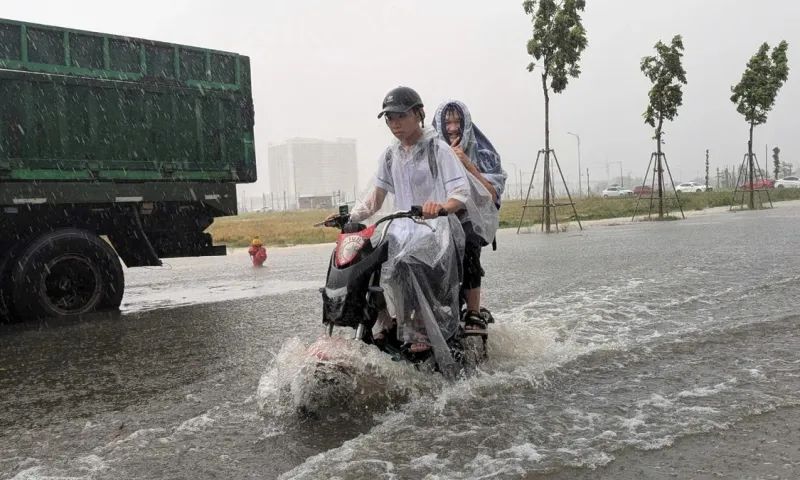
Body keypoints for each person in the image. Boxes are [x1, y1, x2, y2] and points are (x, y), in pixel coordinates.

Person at [332, 86, 498, 372]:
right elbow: (376, 198)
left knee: (408, 260)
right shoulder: (389, 155)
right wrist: (350, 214)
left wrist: (441, 207)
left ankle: (420, 327)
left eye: (400, 116)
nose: (394, 123)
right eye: (389, 118)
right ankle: (382, 318)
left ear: (419, 114)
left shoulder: (439, 150)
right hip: (400, 230)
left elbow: (460, 192)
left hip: (435, 230)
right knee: (369, 258)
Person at [432, 100, 507, 334]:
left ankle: (473, 310)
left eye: (457, 122)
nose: (452, 128)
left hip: (472, 220)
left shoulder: (484, 153)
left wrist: (466, 163)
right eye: (447, 123)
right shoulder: (430, 150)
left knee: (469, 245)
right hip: (439, 217)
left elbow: (493, 194)